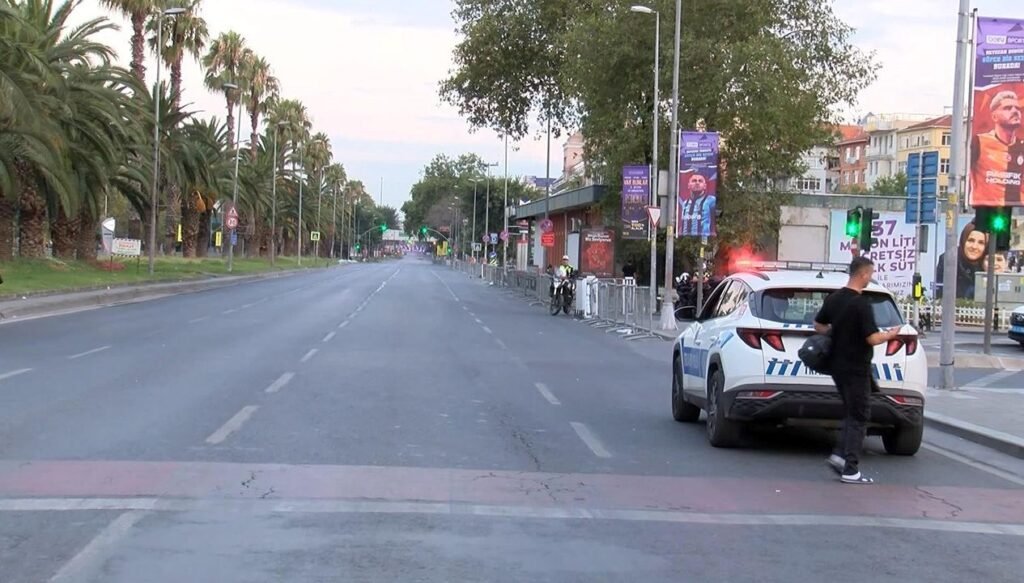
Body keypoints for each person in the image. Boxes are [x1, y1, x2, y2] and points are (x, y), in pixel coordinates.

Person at [814, 256, 902, 485]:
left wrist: (836, 332)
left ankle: (840, 456)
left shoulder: (834, 299)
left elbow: (819, 325)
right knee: (860, 415)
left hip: (836, 365)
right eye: (870, 273)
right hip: (857, 367)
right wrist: (891, 335)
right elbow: (872, 338)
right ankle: (850, 469)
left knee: (851, 412)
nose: (871, 278)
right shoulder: (861, 304)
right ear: (863, 274)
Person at [971, 90, 1024, 206]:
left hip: (1015, 209)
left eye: (1017, 108)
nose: (1015, 111)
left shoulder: (1022, 147)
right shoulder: (979, 141)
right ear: (994, 116)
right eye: (1007, 108)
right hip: (984, 209)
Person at [935, 223, 987, 300]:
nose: (974, 247)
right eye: (970, 240)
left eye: (981, 243)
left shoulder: (989, 262)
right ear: (963, 240)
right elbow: (939, 294)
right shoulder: (948, 259)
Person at [678, 172, 717, 237]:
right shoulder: (685, 203)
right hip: (686, 241)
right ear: (688, 185)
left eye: (700, 181)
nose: (697, 183)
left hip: (705, 240)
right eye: (694, 181)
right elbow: (682, 223)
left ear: (705, 186)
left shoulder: (711, 200)